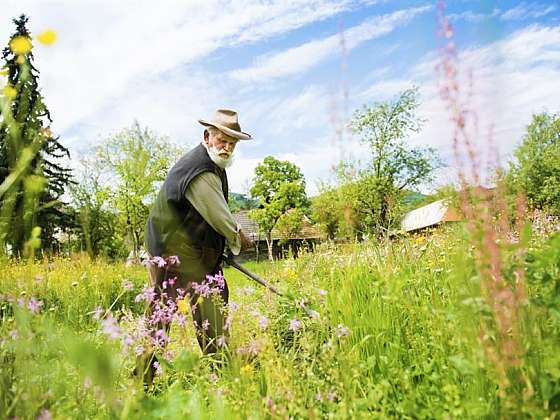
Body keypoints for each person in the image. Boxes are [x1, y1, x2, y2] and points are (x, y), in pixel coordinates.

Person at [141, 109, 253, 380]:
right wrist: (240, 238)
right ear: (207, 136)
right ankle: (141, 384)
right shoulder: (200, 169)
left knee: (213, 309)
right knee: (160, 318)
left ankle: (221, 376)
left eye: (232, 143)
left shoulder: (214, 164)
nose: (227, 147)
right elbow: (221, 217)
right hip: (171, 255)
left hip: (197, 256)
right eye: (222, 140)